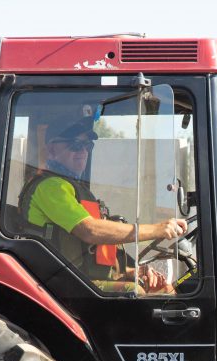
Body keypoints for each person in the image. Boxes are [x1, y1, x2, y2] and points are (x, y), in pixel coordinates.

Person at [19, 116, 186, 293]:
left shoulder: (73, 187)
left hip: (80, 279)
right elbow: (90, 230)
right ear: (51, 149)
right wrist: (157, 230)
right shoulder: (51, 187)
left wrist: (131, 272)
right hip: (60, 285)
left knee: (165, 290)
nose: (82, 151)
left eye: (87, 146)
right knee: (135, 293)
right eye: (75, 145)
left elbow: (90, 259)